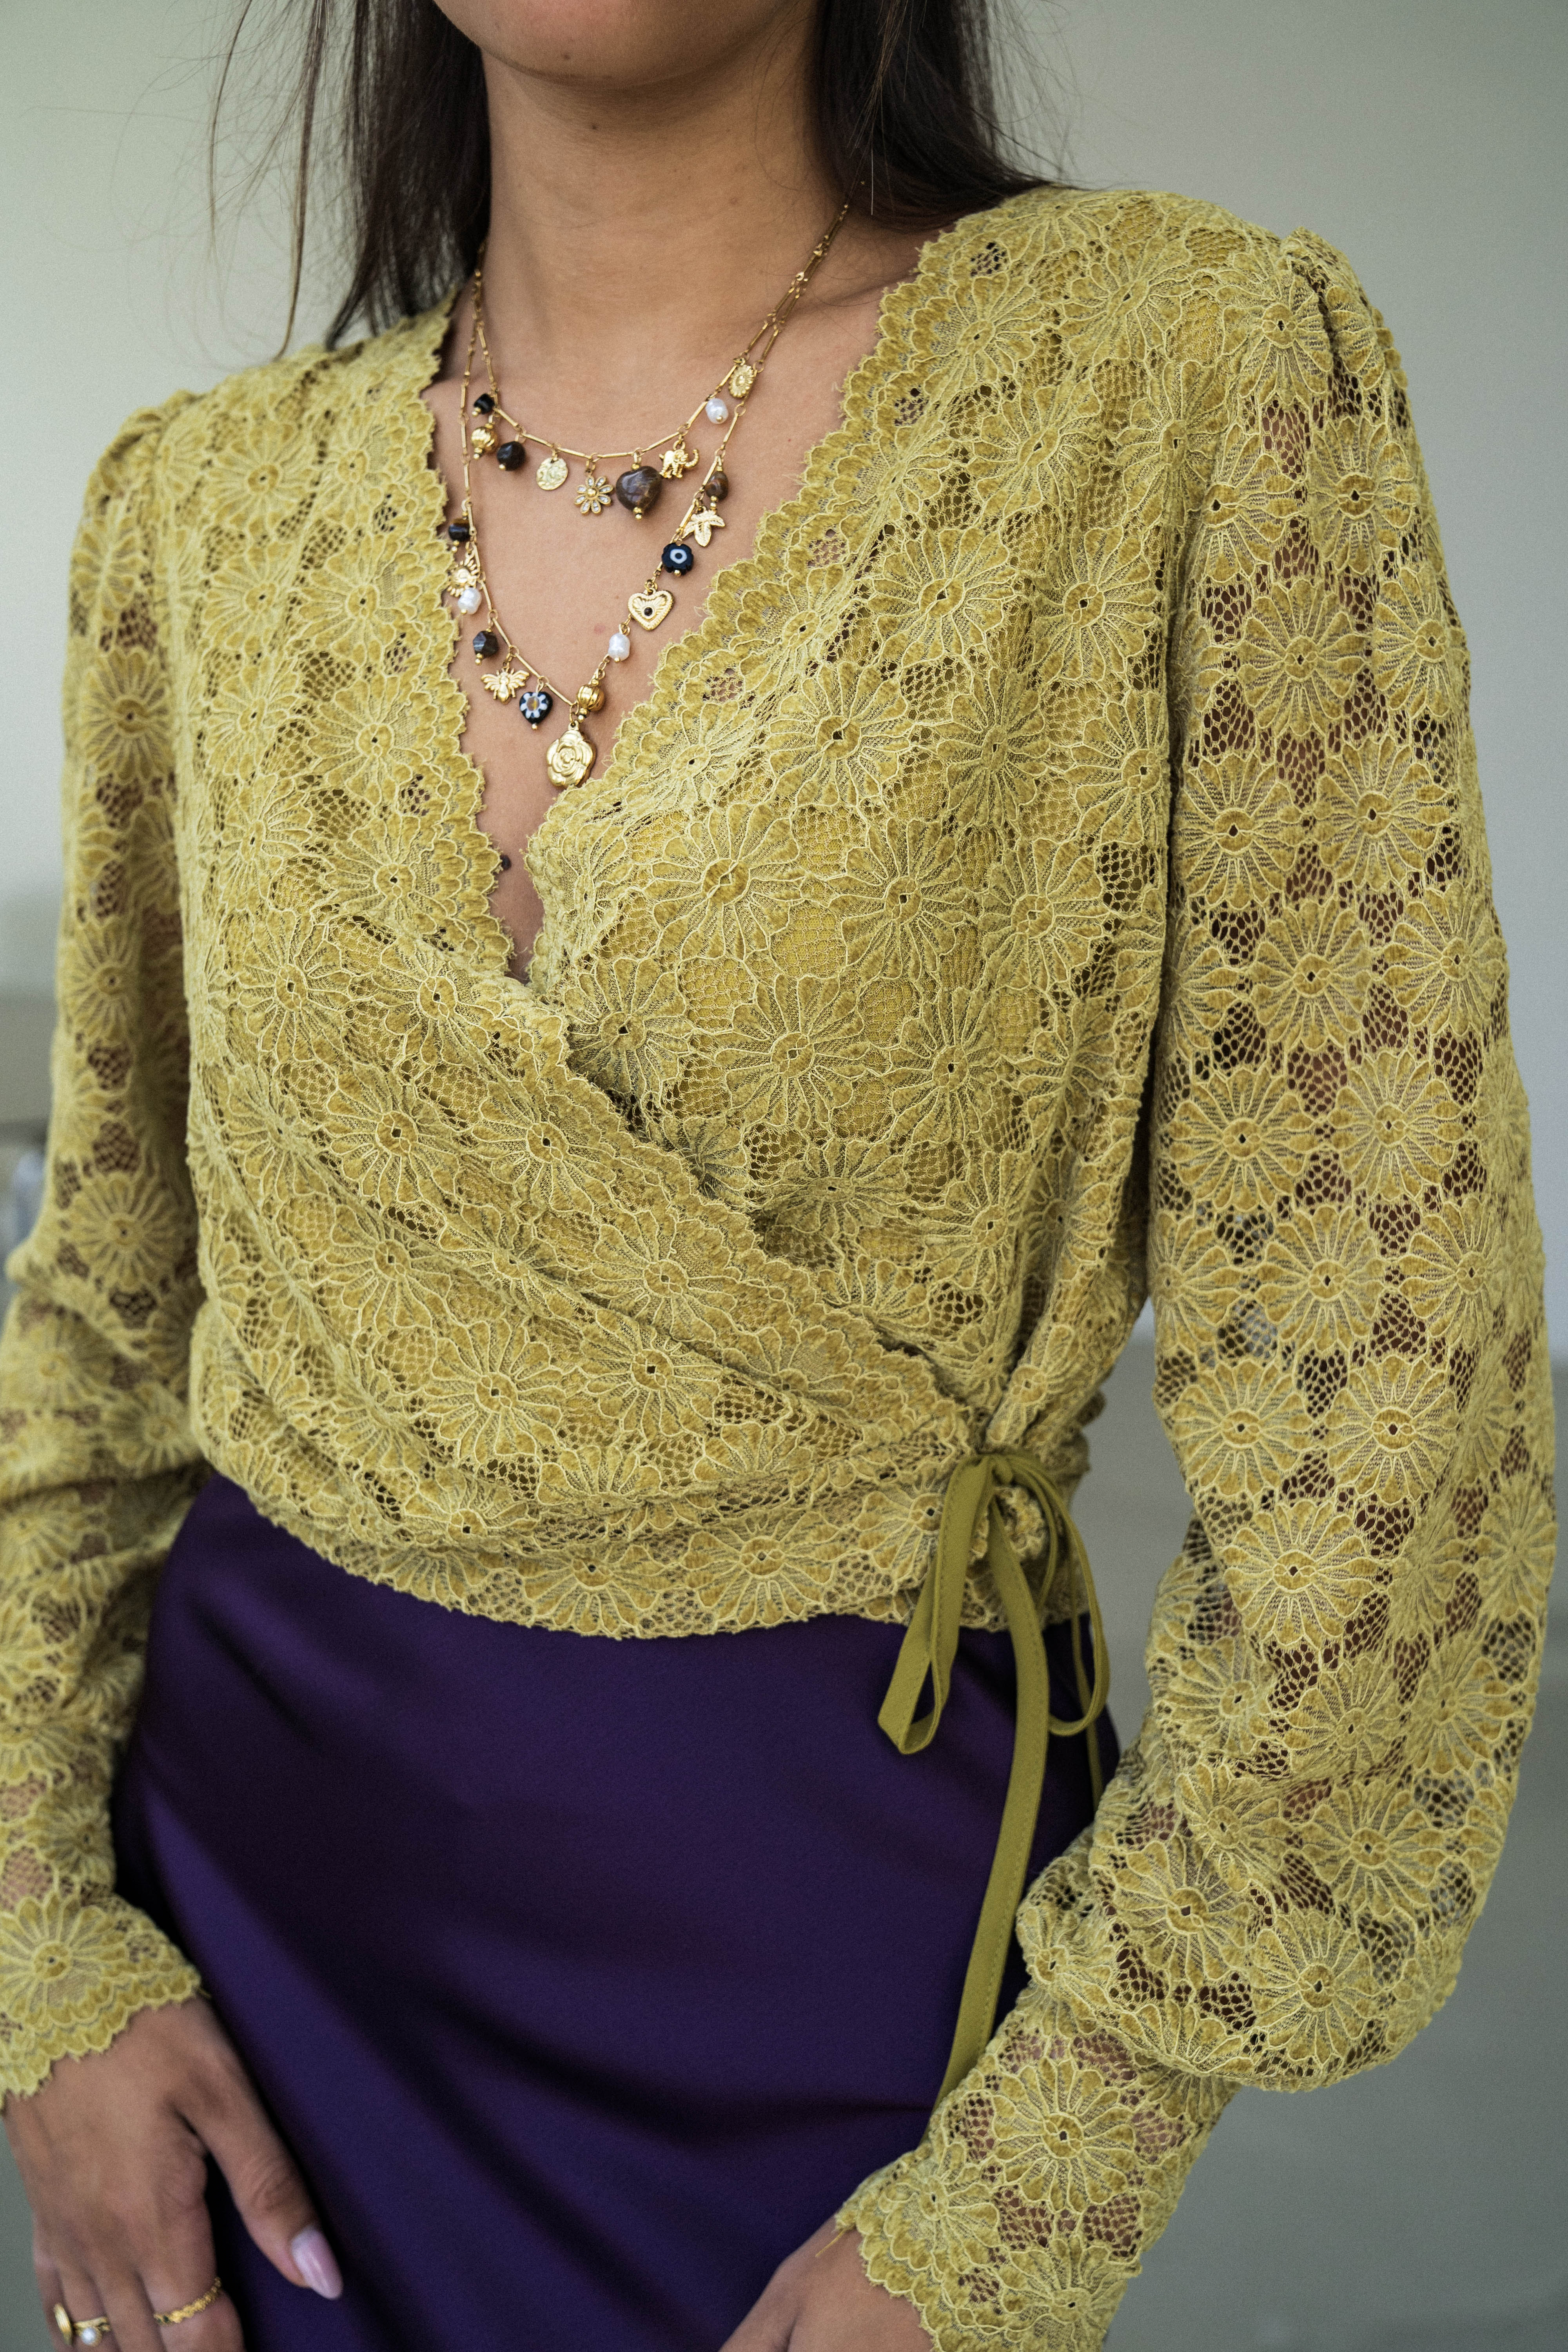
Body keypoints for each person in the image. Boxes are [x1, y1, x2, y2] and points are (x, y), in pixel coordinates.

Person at [0, 1, 1553, 2346]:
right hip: (241, 1923)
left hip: (829, 1949)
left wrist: (1054, 2170)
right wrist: (42, 1943)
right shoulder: (192, 516)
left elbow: (1383, 1365)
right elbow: (110, 1305)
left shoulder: (1184, 386)